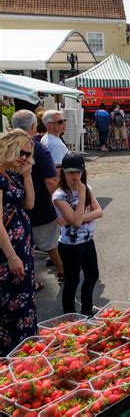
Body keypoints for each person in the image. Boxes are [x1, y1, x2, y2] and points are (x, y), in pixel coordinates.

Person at [12, 110, 64, 284]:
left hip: (14, 209)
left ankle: (28, 280)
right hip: (40, 207)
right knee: (51, 244)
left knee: (22, 247)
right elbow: (50, 181)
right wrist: (61, 205)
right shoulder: (38, 148)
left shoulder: (7, 146)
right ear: (34, 126)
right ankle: (62, 272)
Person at [52, 153, 103, 316]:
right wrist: (81, 199)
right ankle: (70, 314)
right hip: (70, 245)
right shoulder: (59, 195)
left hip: (88, 241)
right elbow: (76, 222)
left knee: (92, 275)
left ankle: (87, 308)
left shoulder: (87, 188)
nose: (74, 176)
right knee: (72, 281)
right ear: (63, 173)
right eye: (70, 172)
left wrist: (74, 219)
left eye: (78, 172)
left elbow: (99, 212)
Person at [0, 129, 36, 355]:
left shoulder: (12, 174)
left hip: (21, 247)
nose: (24, 157)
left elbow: (29, 204)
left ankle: (25, 352)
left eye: (28, 153)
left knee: (24, 302)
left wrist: (27, 175)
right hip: (7, 252)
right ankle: (12, 357)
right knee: (10, 308)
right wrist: (12, 257)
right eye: (21, 152)